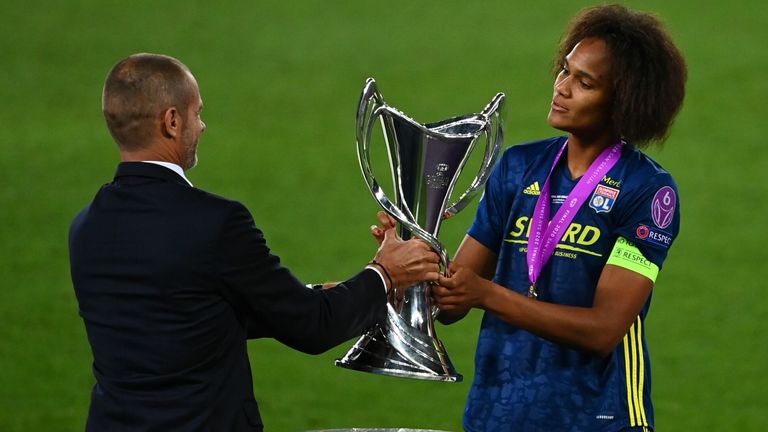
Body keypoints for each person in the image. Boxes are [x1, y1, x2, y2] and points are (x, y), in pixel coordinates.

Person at [68, 53, 440, 432]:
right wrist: (385, 274)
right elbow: (313, 327)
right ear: (172, 121)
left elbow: (182, 317)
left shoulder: (86, 228)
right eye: (197, 113)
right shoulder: (214, 222)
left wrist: (319, 292)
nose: (202, 126)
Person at [429, 5, 686, 432]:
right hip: (497, 415)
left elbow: (604, 330)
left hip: (598, 418)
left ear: (622, 102)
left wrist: (488, 295)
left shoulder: (647, 190)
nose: (561, 88)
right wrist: (411, 257)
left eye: (584, 82)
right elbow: (454, 300)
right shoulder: (517, 167)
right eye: (564, 71)